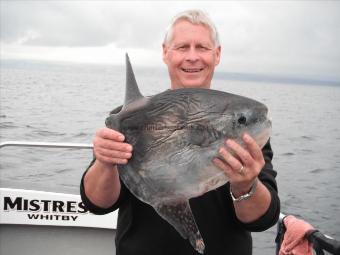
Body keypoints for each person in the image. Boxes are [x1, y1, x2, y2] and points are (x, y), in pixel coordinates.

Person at [80, 10, 280, 255]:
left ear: (217, 55)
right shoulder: (130, 118)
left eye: (203, 48)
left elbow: (262, 219)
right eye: (183, 47)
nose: (193, 57)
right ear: (166, 53)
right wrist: (105, 162)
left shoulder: (250, 133)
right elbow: (97, 203)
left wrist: (246, 185)